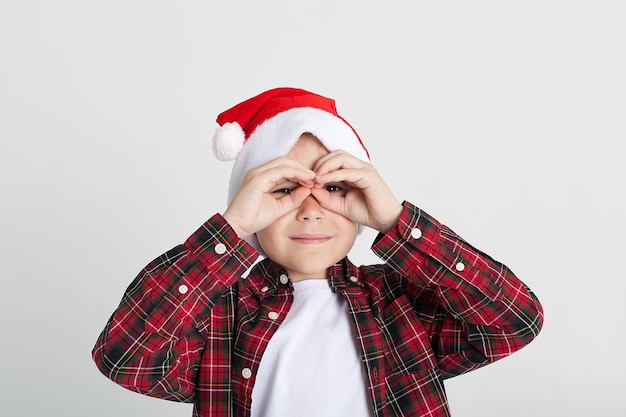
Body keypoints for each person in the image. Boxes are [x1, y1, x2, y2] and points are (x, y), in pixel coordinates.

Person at [92, 87, 544, 417]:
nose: (310, 211)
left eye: (333, 188)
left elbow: (515, 320)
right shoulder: (219, 316)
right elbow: (126, 356)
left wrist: (395, 223)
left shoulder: (400, 304)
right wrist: (231, 229)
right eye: (285, 189)